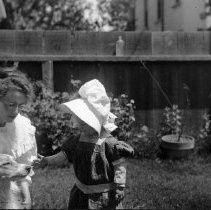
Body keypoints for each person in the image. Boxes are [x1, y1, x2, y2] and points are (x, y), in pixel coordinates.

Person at [33, 79, 134, 209]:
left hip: (103, 195)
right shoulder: (77, 140)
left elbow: (119, 165)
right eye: (79, 122)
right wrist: (47, 160)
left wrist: (120, 186)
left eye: (84, 123)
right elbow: (64, 155)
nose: (79, 126)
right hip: (81, 193)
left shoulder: (109, 143)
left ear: (98, 121)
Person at [0, 64, 37, 209]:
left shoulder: (22, 127)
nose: (15, 112)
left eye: (20, 106)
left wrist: (25, 194)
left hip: (9, 195)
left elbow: (22, 164)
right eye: (10, 104)